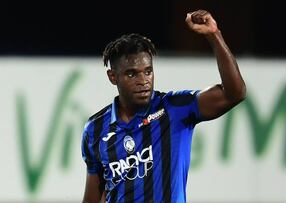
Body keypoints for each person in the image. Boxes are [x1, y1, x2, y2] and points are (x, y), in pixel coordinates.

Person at [81, 9, 246, 203]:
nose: (143, 80)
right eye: (132, 74)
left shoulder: (174, 109)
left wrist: (214, 35)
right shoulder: (95, 129)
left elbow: (235, 93)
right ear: (113, 77)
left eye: (148, 71)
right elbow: (93, 197)